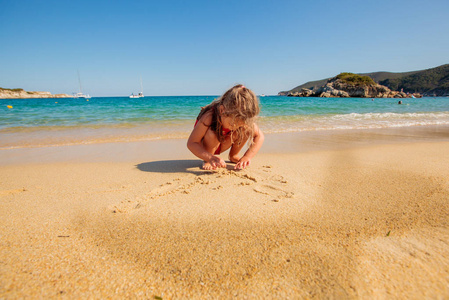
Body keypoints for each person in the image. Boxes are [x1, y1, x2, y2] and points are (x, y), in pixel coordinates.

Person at [187, 84, 264, 170]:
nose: (235, 128)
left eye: (238, 124)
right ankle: (207, 160)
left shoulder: (242, 118)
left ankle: (233, 155)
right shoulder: (209, 116)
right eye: (232, 124)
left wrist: (247, 157)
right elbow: (192, 143)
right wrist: (209, 157)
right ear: (222, 110)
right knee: (212, 133)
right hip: (206, 146)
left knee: (245, 128)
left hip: (223, 142)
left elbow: (259, 136)